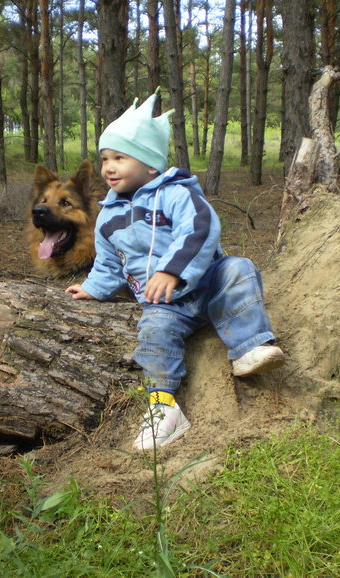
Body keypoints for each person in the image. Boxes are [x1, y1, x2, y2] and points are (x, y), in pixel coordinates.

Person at [66, 91, 284, 451]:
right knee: (154, 334)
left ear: (151, 165)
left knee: (239, 268)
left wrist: (172, 271)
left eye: (120, 157)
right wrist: (94, 287)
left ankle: (250, 346)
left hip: (207, 281)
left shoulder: (176, 194)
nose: (108, 167)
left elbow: (199, 230)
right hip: (164, 303)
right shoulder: (108, 215)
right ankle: (163, 408)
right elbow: (109, 261)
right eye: (105, 158)